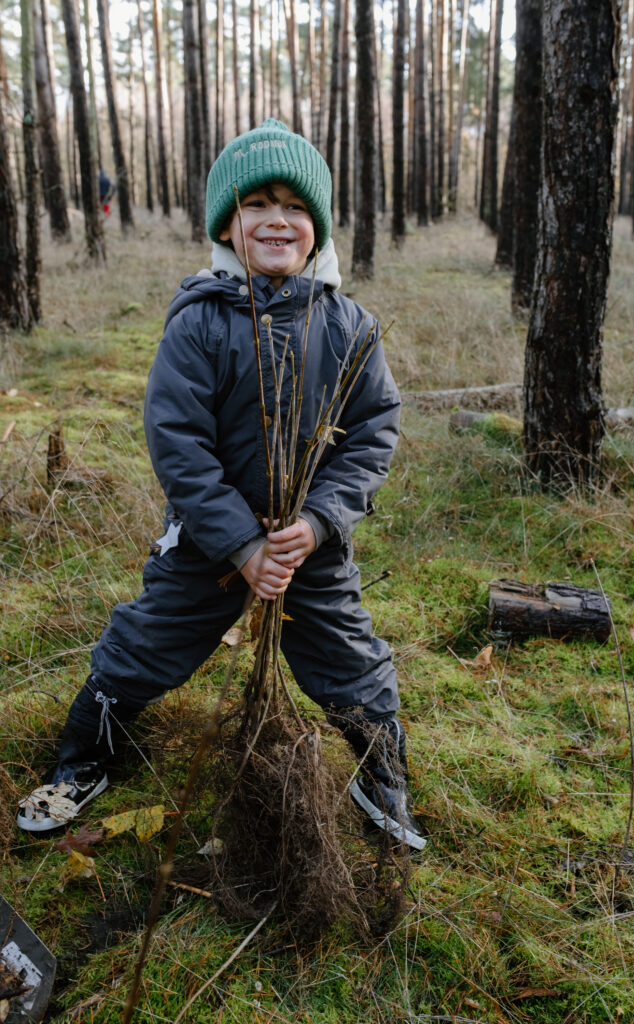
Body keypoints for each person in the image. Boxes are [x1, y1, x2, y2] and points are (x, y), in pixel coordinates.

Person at [17, 120, 425, 851]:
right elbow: (177, 443)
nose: (276, 219)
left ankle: (380, 769)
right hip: (206, 541)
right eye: (256, 204)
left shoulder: (349, 326)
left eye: (295, 206)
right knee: (142, 645)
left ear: (317, 226)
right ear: (227, 225)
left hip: (309, 546)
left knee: (352, 662)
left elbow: (373, 434)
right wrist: (239, 543)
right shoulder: (200, 322)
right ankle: (82, 759)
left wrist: (322, 521)